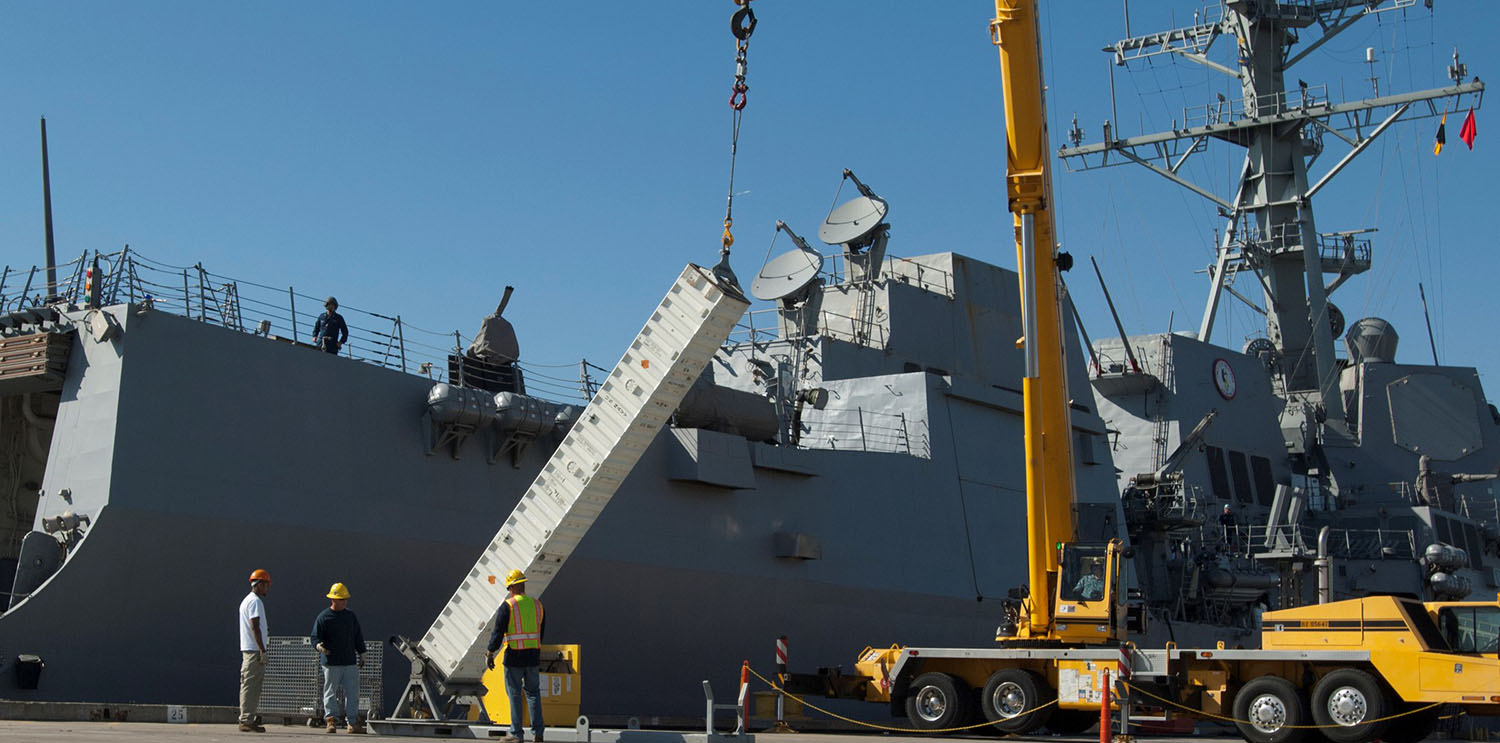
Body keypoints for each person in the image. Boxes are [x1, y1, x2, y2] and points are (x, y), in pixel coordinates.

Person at [485, 569, 545, 743]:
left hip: (514, 658)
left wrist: (490, 652)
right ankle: (538, 733)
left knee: (515, 694)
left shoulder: (508, 606)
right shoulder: (537, 605)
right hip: (533, 657)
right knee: (533, 693)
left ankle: (517, 735)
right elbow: (540, 632)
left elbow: (498, 632)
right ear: (523, 585)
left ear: (511, 587)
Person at [312, 582, 367, 735]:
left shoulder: (350, 616)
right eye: (341, 599)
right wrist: (319, 647)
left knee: (352, 693)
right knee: (330, 692)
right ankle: (331, 720)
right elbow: (315, 637)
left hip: (349, 662)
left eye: (345, 599)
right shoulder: (324, 618)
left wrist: (362, 652)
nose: (344, 602)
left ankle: (352, 722)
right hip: (331, 663)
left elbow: (357, 636)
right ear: (333, 600)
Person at [238, 569, 272, 734]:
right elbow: (255, 625)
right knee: (250, 687)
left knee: (250, 686)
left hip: (250, 650)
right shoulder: (255, 602)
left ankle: (248, 718)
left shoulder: (247, 601)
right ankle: (246, 720)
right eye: (266, 585)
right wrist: (262, 649)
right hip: (253, 651)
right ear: (259, 584)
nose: (267, 589)